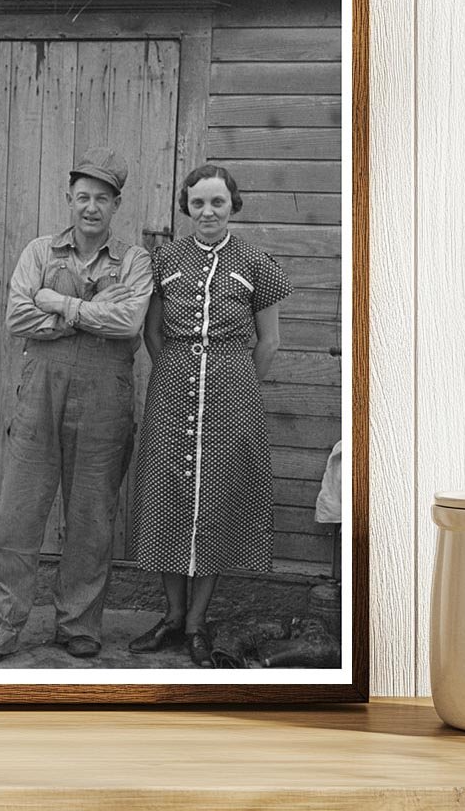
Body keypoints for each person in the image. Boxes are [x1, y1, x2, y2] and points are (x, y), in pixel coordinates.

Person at [0, 146, 154, 668]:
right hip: (40, 396)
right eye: (82, 198)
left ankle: (79, 624)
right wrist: (86, 315)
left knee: (92, 517)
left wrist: (61, 304)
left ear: (116, 206)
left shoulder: (134, 261)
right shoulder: (40, 252)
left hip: (105, 401)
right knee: (18, 516)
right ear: (69, 201)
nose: (91, 208)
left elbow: (129, 325)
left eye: (102, 199)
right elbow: (17, 318)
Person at [128, 164, 291, 667]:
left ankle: (198, 624)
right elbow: (152, 333)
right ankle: (172, 617)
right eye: (198, 203)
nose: (207, 212)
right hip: (172, 387)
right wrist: (179, 371)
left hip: (232, 393)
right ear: (187, 207)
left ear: (233, 205)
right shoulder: (165, 260)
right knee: (167, 495)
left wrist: (234, 383)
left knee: (218, 500)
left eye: (218, 202)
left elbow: (270, 342)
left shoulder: (255, 263)